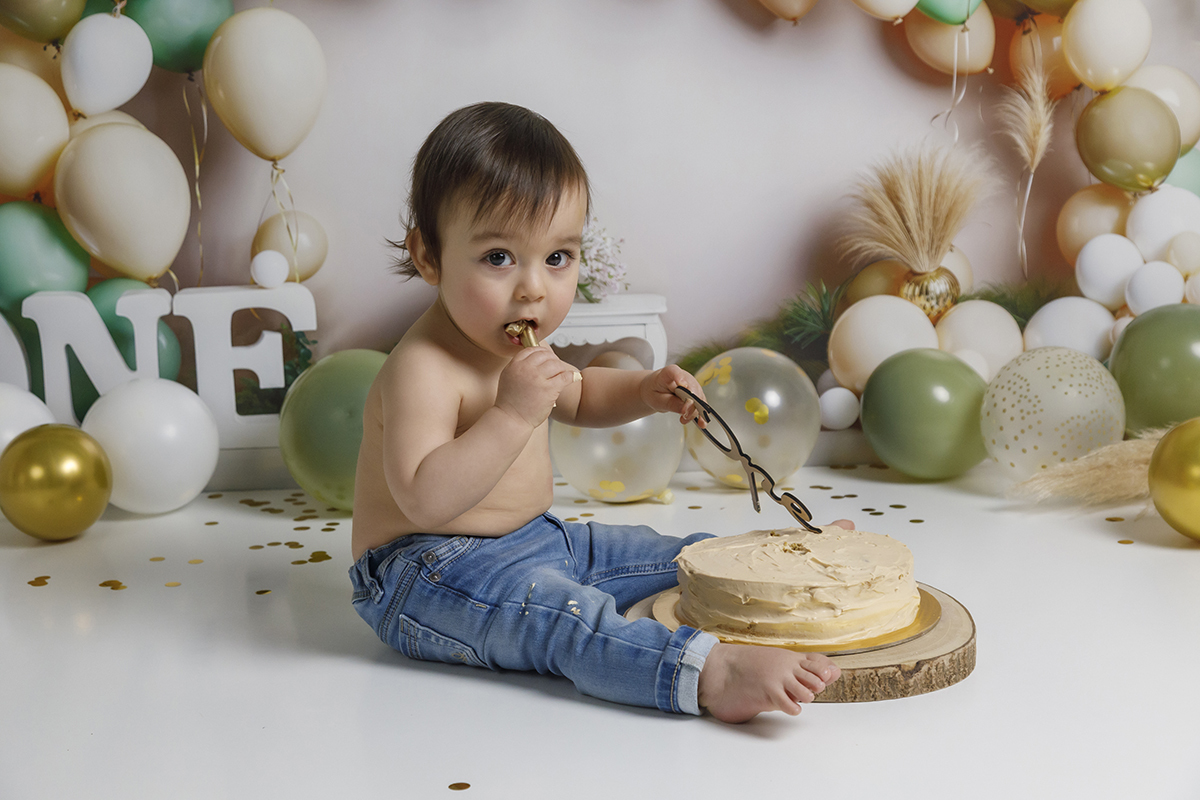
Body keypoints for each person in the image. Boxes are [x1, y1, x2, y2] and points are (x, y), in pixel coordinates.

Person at [349, 101, 843, 723]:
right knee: (568, 622)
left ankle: (771, 573)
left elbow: (578, 394)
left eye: (557, 258)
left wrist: (642, 390)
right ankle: (710, 673)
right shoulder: (422, 367)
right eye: (499, 257)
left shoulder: (510, 334)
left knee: (660, 553)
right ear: (429, 256)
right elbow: (423, 498)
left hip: (539, 539)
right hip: (426, 576)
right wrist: (510, 416)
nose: (533, 288)